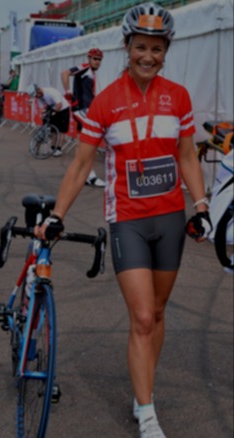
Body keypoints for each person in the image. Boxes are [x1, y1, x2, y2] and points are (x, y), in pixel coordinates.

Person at [35, 4, 211, 438]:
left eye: (156, 48)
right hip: (128, 221)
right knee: (143, 318)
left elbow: (187, 155)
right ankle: (147, 411)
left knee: (160, 311)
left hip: (170, 218)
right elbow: (79, 166)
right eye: (140, 47)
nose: (147, 56)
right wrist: (58, 215)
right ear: (127, 47)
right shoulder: (107, 101)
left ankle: (141, 389)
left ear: (164, 51)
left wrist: (203, 205)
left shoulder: (179, 96)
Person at [61, 47, 106, 187]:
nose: (97, 62)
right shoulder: (85, 67)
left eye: (99, 60)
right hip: (81, 110)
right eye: (95, 59)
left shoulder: (92, 72)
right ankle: (89, 174)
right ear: (89, 58)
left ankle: (82, 173)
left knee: (82, 142)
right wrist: (68, 92)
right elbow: (65, 73)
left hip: (86, 110)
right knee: (90, 142)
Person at [29, 83, 70, 157]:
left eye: (36, 95)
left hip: (63, 108)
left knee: (61, 130)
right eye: (35, 96)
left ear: (39, 90)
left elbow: (59, 105)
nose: (36, 97)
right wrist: (44, 114)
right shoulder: (39, 97)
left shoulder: (51, 92)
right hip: (53, 107)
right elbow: (42, 108)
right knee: (53, 129)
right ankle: (53, 147)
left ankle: (58, 149)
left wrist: (53, 113)